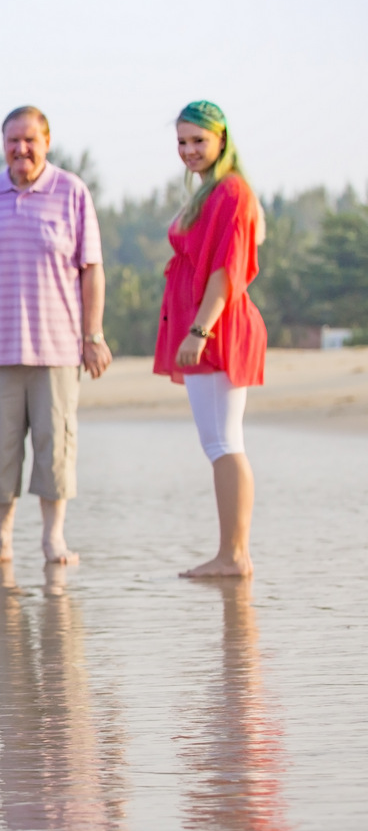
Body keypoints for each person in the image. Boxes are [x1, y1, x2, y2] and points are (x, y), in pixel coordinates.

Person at [0, 106, 111, 566]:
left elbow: (92, 270)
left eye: (30, 140)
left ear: (47, 142)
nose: (21, 149)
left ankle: (53, 539)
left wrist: (93, 335)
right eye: (12, 141)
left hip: (58, 348)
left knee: (54, 447)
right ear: (3, 145)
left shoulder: (72, 192)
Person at [154, 101, 266, 578]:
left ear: (222, 139)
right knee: (219, 442)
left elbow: (227, 269)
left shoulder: (231, 192)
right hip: (204, 323)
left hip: (217, 327)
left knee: (223, 442)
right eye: (182, 142)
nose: (189, 150)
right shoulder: (209, 192)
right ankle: (231, 553)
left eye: (198, 140)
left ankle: (233, 555)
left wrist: (200, 330)